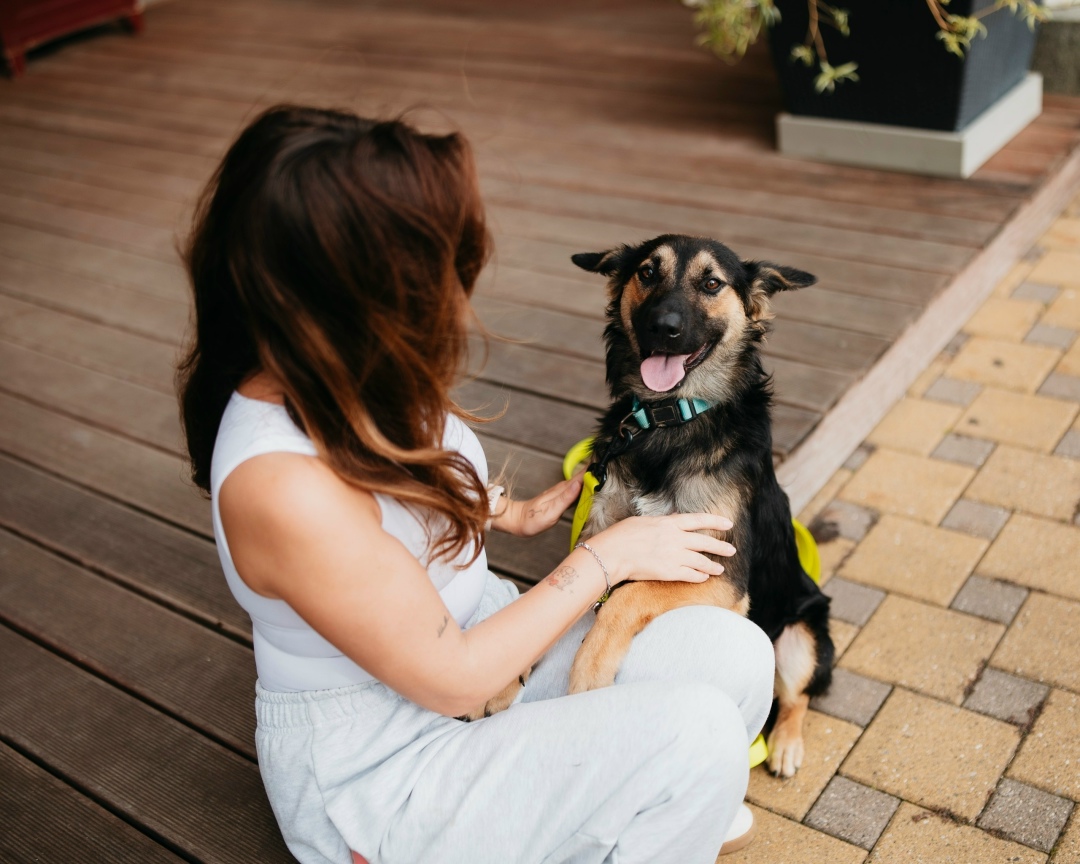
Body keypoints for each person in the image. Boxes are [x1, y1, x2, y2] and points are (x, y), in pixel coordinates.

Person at [177, 105, 775, 864]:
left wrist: (502, 511)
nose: (455, 289)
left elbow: (389, 496)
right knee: (699, 740)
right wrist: (606, 558)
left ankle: (624, 808)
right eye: (432, 263)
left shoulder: (355, 363)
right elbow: (455, 681)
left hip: (480, 641)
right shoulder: (278, 485)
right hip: (390, 767)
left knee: (736, 654)